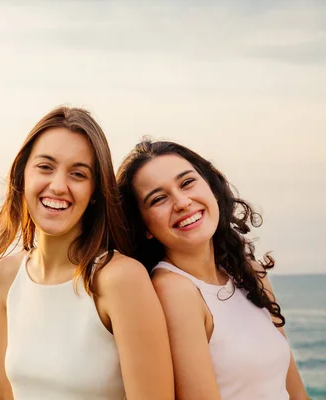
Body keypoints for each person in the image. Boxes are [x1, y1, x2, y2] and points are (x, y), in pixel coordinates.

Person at [0, 107, 173, 400]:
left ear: (95, 190)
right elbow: (3, 397)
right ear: (22, 176)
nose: (58, 186)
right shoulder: (5, 277)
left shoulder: (120, 279)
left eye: (78, 174)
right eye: (45, 167)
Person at [116, 138, 308, 400]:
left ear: (210, 187)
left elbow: (295, 392)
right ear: (144, 226)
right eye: (159, 198)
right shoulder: (174, 289)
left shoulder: (249, 271)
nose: (182, 202)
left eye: (187, 183)